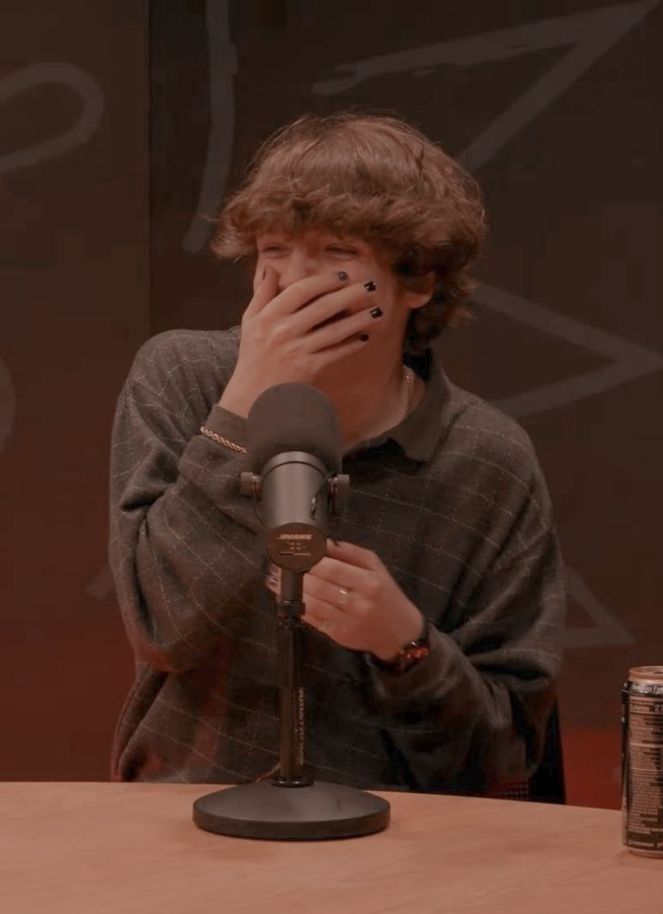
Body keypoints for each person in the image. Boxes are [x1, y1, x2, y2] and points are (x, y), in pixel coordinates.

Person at [109, 111, 565, 796]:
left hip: (402, 845)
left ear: (418, 281)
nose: (294, 283)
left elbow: (505, 761)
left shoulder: (487, 458)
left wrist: (406, 645)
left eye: (334, 255)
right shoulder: (183, 378)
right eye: (275, 251)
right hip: (190, 822)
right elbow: (162, 627)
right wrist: (244, 405)